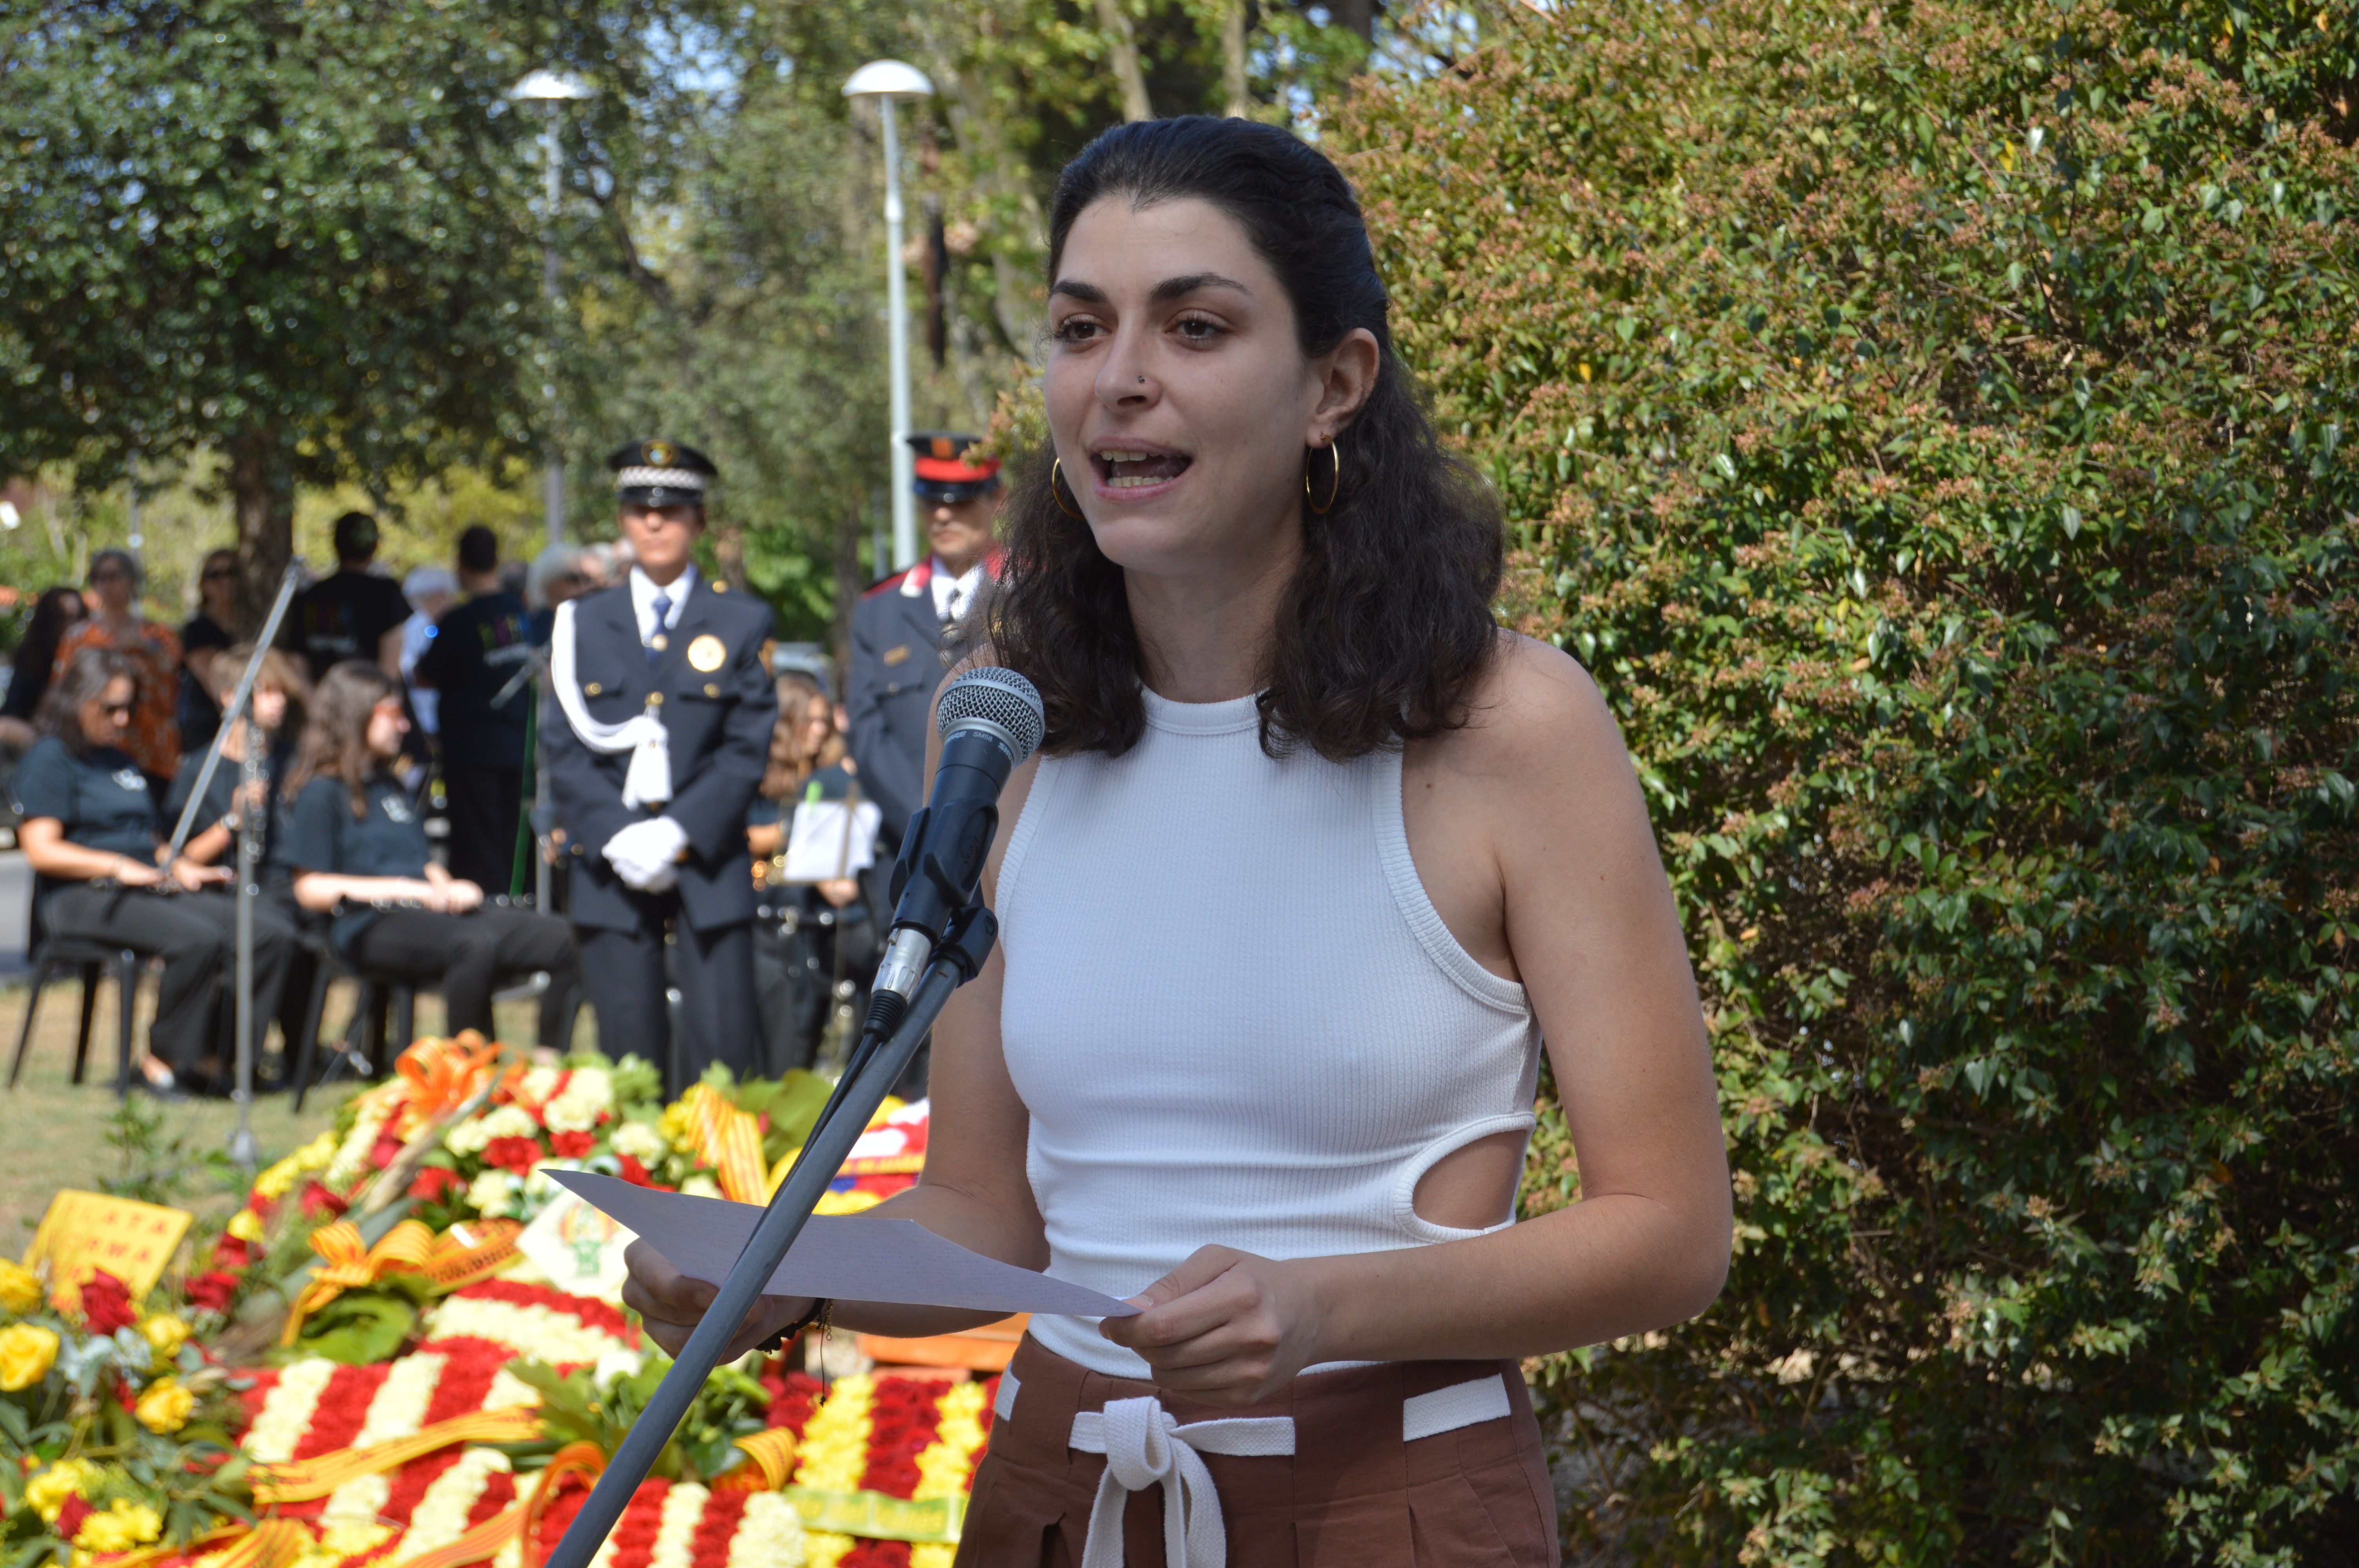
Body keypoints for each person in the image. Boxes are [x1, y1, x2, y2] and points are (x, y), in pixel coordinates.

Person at [623, 117, 1732, 1568]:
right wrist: (781, 1274)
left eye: (1193, 325)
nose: (1119, 379)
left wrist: (1325, 1304)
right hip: (1051, 1499)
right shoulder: (1015, 739)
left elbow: (1668, 1229)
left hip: (1384, 1511)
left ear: (1333, 384)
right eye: (1080, 328)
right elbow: (989, 1213)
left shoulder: (1504, 726)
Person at [543, 440, 774, 1094]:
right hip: (611, 865)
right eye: (639, 509)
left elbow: (746, 745)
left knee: (724, 1070)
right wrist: (619, 833)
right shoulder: (579, 623)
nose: (654, 523)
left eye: (672, 510)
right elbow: (561, 745)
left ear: (698, 521)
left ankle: (725, 1196)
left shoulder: (741, 619)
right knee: (628, 1070)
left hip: (705, 860)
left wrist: (675, 832)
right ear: (622, 520)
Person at [12, 648, 296, 1096]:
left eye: (129, 708)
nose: (123, 719)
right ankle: (163, 1059)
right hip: (81, 895)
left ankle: (222, 1056)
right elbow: (42, 849)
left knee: (267, 932)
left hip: (144, 883)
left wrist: (181, 866)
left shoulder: (120, 761)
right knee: (196, 939)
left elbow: (147, 837)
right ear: (77, 700)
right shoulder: (51, 757)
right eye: (111, 708)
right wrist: (120, 867)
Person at [286, 662, 579, 1048]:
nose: (404, 726)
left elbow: (420, 859)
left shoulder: (389, 785)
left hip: (427, 912)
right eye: (392, 714)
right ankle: (469, 1071)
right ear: (355, 715)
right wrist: (406, 889)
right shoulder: (321, 793)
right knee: (472, 944)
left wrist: (448, 885)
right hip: (365, 922)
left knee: (566, 938)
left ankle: (548, 1061)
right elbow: (309, 887)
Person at [846, 431, 1003, 851]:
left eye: (960, 501)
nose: (942, 516)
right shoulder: (878, 609)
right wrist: (928, 825)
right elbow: (867, 737)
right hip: (909, 847)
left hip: (1007, 841)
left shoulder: (1034, 595)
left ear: (996, 499)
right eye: (932, 501)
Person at [165, 644, 314, 1080]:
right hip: (230, 884)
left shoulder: (293, 759)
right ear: (230, 697)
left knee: (309, 925)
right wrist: (232, 820)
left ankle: (299, 1057)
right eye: (267, 691)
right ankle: (229, 1060)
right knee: (275, 932)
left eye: (281, 692)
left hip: (286, 881)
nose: (278, 701)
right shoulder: (200, 766)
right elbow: (182, 855)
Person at [746, 671, 875, 1076]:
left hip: (819, 909)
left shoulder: (827, 773)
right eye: (810, 721)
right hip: (771, 907)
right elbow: (747, 836)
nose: (820, 730)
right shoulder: (759, 771)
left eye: (825, 721)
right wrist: (802, 832)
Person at [413, 528, 532, 896]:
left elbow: (424, 676)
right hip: (515, 742)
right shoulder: (518, 612)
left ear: (460, 564)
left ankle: (488, 904)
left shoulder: (458, 620)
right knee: (513, 834)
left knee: (477, 839)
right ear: (496, 560)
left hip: (473, 748)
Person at [54, 550, 182, 794]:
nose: (106, 584)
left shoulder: (159, 635)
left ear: (132, 582)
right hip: (95, 753)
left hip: (154, 754)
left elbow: (173, 679)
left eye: (113, 576)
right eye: (99, 578)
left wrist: (144, 648)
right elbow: (63, 693)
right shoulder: (79, 638)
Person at [286, 511, 410, 685]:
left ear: (336, 545)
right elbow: (391, 663)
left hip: (323, 699)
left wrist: (312, 703)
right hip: (369, 700)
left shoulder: (310, 596)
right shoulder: (385, 593)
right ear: (375, 547)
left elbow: (297, 661)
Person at [0, 585, 86, 752]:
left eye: (78, 619)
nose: (72, 627)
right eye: (63, 618)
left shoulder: (92, 664)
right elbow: (7, 722)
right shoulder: (30, 664)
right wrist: (44, 748)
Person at [176, 549, 240, 755]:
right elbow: (215, 681)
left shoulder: (254, 624)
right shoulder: (197, 630)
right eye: (215, 575)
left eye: (232, 572)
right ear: (204, 584)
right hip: (208, 733)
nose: (224, 580)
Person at [397, 564, 458, 739]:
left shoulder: (417, 623)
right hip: (424, 719)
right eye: (450, 596)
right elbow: (409, 668)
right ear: (439, 596)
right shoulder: (419, 624)